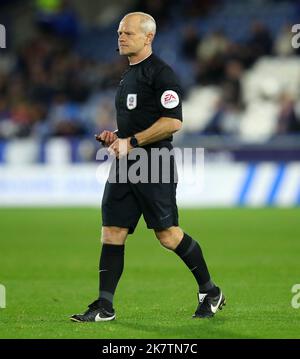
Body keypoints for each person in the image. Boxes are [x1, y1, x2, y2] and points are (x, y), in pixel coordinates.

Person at [70, 12, 225, 322]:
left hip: (154, 163)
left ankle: (210, 291)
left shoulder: (161, 74)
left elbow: (173, 122)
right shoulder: (128, 75)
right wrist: (117, 138)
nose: (121, 37)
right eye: (119, 32)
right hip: (127, 163)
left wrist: (134, 142)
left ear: (148, 37)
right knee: (112, 231)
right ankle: (105, 306)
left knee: (168, 236)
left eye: (128, 32)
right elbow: (137, 123)